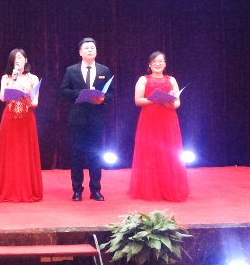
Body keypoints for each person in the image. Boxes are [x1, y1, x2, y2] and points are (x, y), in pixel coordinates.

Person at [128, 51, 189, 202]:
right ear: (149, 64)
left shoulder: (171, 79)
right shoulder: (143, 79)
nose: (157, 64)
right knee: (151, 152)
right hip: (149, 121)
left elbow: (177, 102)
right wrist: (155, 99)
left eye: (160, 61)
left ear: (165, 64)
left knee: (169, 152)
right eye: (154, 61)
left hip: (168, 120)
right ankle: (151, 189)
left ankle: (170, 188)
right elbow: (138, 101)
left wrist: (170, 103)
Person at [60, 37, 114, 201]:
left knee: (96, 154)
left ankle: (95, 190)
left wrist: (103, 99)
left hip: (97, 118)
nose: (90, 50)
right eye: (86, 48)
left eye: (92, 48)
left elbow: (111, 93)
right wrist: (81, 94)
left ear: (96, 52)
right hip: (77, 118)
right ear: (80, 52)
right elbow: (64, 90)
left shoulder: (104, 70)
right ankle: (77, 190)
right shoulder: (71, 70)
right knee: (77, 154)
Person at [0, 49, 43, 202]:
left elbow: (35, 102)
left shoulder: (33, 78)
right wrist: (13, 81)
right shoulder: (6, 77)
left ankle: (27, 190)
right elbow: (3, 97)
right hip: (9, 119)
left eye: (20, 57)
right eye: (14, 58)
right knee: (10, 154)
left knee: (26, 154)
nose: (17, 60)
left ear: (26, 60)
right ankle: (9, 190)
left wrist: (28, 101)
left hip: (26, 119)